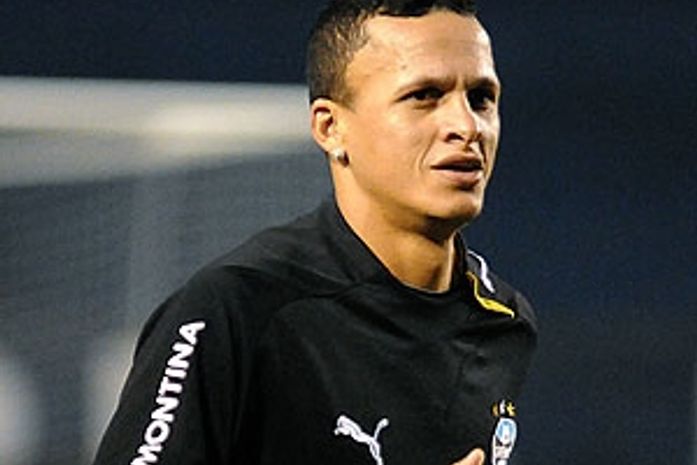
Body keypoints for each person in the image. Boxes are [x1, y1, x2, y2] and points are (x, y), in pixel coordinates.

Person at [92, 1, 537, 465]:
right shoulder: (235, 309)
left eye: (481, 98)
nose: (466, 126)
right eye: (423, 96)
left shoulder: (504, 320)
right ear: (330, 127)